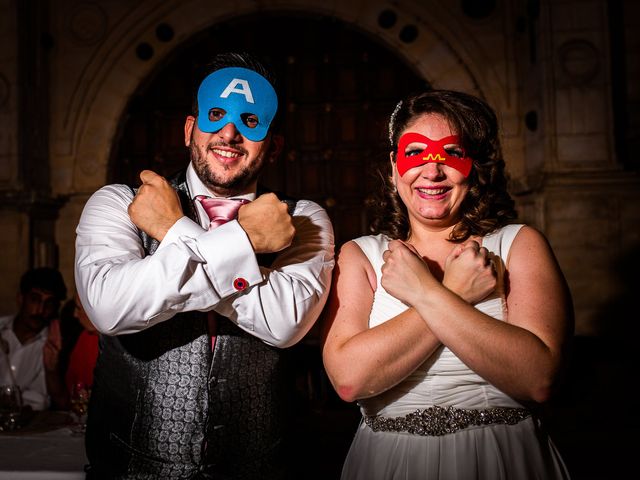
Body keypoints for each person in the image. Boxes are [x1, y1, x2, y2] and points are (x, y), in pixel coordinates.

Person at [75, 52, 335, 479]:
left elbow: (285, 322)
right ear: (189, 129)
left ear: (276, 145)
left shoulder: (304, 218)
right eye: (215, 115)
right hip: (129, 470)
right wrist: (245, 242)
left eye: (251, 122)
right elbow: (109, 307)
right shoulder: (120, 203)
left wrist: (174, 231)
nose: (230, 133)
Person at [322, 89, 574, 479]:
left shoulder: (519, 244)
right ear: (394, 166)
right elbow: (349, 380)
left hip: (501, 460)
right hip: (390, 463)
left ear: (474, 164)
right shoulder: (361, 256)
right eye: (415, 153)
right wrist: (456, 293)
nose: (432, 171)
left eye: (451, 154)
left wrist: (426, 293)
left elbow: (538, 379)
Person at [0, 267, 67, 411]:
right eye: (35, 299)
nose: (41, 310)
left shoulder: (53, 345)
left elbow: (53, 403)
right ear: (20, 298)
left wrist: (52, 369)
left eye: (49, 303)